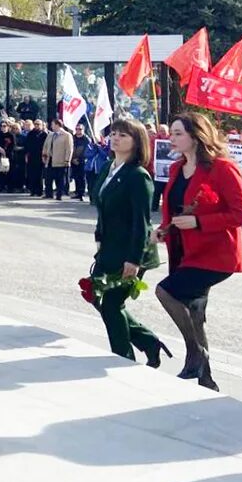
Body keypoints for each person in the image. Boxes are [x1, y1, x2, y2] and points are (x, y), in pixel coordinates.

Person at [153, 112, 242, 391]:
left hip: (215, 254)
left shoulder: (221, 168)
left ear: (196, 136)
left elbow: (241, 212)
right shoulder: (175, 169)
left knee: (165, 291)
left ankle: (196, 351)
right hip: (183, 249)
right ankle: (205, 378)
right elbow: (173, 206)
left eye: (178, 132)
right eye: (172, 132)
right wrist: (164, 229)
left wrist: (200, 222)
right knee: (195, 311)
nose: (172, 137)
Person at [89, 119, 167, 365]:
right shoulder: (109, 168)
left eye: (123, 135)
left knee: (112, 303)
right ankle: (147, 341)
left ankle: (123, 358)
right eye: (113, 134)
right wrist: (99, 238)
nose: (116, 138)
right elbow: (101, 207)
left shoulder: (138, 176)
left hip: (132, 250)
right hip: (109, 247)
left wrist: (133, 259)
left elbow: (141, 223)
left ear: (137, 141)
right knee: (97, 295)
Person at [42, 119, 73, 200]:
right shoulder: (50, 135)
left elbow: (69, 149)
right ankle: (48, 194)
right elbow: (46, 145)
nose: (51, 126)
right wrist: (44, 155)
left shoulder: (67, 135)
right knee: (48, 178)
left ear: (57, 125)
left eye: (52, 124)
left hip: (61, 161)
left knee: (60, 179)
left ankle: (59, 194)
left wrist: (67, 160)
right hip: (50, 160)